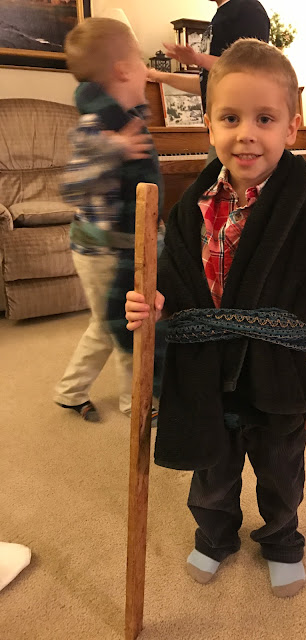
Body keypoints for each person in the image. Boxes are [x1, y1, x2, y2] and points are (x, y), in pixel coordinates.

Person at [124, 39, 306, 597]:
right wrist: (152, 305)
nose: (246, 133)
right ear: (208, 125)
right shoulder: (191, 206)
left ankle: (281, 539)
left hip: (277, 374)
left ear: (291, 128)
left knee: (281, 470)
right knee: (211, 470)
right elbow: (176, 285)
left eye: (265, 119)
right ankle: (214, 536)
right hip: (206, 371)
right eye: (230, 118)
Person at [54, 18, 163, 422]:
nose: (147, 71)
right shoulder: (95, 128)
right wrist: (113, 148)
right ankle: (135, 402)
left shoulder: (127, 117)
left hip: (120, 245)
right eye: (141, 62)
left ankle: (72, 391)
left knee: (112, 322)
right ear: (122, 70)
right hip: (100, 250)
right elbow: (70, 187)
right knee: (123, 323)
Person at [148, 0, 270, 154]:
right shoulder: (221, 15)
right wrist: (158, 76)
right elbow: (206, 85)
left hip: (241, 136)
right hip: (220, 133)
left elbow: (249, 70)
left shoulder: (249, 9)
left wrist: (197, 59)